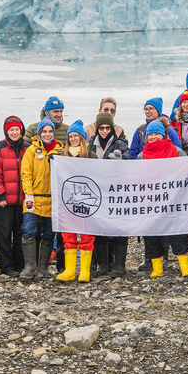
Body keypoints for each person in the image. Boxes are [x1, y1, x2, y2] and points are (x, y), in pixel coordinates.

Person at [140, 120, 188, 278]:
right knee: (152, 235)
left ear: (163, 135)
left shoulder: (177, 152)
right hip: (150, 203)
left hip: (173, 201)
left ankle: (184, 266)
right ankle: (157, 268)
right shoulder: (141, 156)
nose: (153, 137)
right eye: (150, 134)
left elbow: (186, 175)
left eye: (156, 134)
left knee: (178, 233)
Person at [20, 119, 64, 280]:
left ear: (54, 133)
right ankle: (29, 266)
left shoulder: (60, 152)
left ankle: (43, 267)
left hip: (52, 200)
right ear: (39, 134)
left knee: (48, 233)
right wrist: (28, 194)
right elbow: (26, 174)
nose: (47, 134)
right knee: (28, 230)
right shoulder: (31, 150)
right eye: (44, 132)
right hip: (34, 198)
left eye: (50, 131)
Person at [55, 121, 97, 282]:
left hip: (87, 203)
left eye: (76, 136)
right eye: (70, 136)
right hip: (68, 202)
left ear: (82, 137)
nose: (73, 139)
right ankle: (70, 270)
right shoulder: (62, 156)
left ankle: (84, 271)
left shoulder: (90, 155)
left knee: (86, 235)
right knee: (68, 235)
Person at [89, 111, 129, 277]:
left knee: (119, 228)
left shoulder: (121, 144)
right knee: (99, 228)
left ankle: (119, 265)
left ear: (112, 128)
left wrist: (120, 162)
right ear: (97, 129)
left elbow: (128, 164)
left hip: (116, 193)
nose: (104, 131)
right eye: (101, 128)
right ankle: (103, 265)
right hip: (98, 192)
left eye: (107, 127)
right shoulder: (90, 146)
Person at [0, 116, 28, 277]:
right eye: (11, 130)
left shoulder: (28, 148)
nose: (14, 132)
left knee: (20, 234)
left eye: (17, 129)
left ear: (21, 130)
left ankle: (20, 264)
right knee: (3, 235)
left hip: (23, 201)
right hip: (4, 201)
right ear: (6, 131)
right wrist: (0, 195)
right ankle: (7, 266)